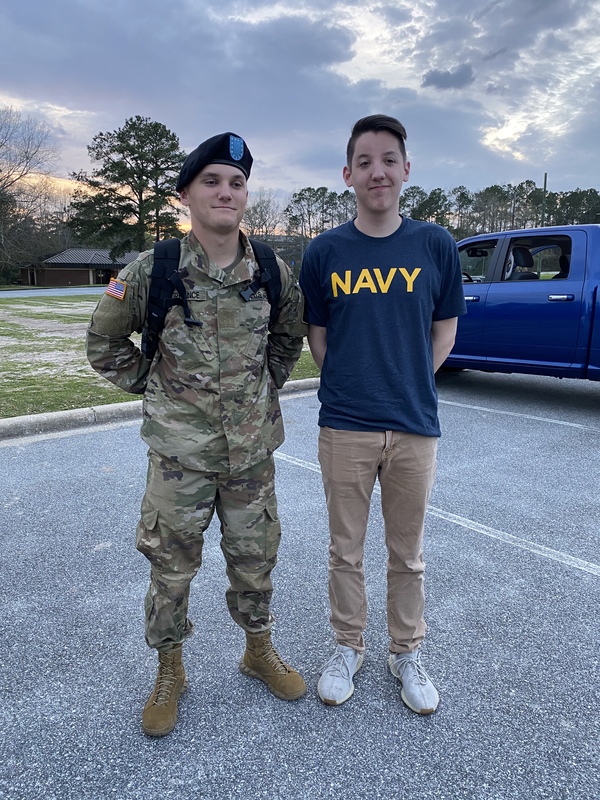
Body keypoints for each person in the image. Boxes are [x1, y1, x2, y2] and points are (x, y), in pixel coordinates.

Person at [86, 132, 307, 737]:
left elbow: (289, 337)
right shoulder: (152, 270)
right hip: (179, 457)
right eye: (211, 180)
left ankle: (258, 650)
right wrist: (153, 390)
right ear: (185, 194)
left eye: (236, 182)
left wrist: (265, 388)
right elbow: (102, 344)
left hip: (251, 456)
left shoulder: (271, 270)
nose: (225, 192)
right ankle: (170, 669)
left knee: (256, 558)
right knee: (171, 566)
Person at [299, 114, 466, 715]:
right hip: (345, 424)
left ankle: (406, 652)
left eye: (389, 160)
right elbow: (319, 340)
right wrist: (354, 383)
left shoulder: (434, 246)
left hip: (415, 426)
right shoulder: (324, 253)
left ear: (406, 170)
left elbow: (443, 330)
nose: (378, 171)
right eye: (365, 161)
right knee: (345, 550)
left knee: (408, 552)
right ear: (348, 174)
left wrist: (409, 381)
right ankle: (348, 646)